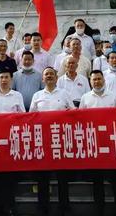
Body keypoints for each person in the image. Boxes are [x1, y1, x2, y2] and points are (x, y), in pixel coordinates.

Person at [79, 70, 116, 215]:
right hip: (95, 143)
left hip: (111, 142)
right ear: (90, 82)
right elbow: (81, 120)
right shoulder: (85, 98)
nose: (97, 82)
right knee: (97, 180)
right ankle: (99, 209)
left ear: (103, 80)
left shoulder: (113, 96)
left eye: (99, 79)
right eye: (94, 80)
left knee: (115, 179)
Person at [30, 67, 75, 215]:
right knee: (43, 177)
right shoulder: (37, 95)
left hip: (60, 139)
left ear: (57, 77)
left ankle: (65, 207)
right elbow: (31, 117)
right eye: (46, 74)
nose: (49, 76)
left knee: (63, 177)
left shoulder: (64, 93)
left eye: (51, 74)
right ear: (42, 79)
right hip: (42, 141)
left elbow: (73, 112)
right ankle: (43, 208)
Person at [0, 70, 25, 216]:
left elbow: (22, 116)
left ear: (11, 80)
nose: (4, 80)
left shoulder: (17, 95)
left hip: (12, 140)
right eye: (1, 77)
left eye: (6, 77)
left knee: (11, 175)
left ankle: (10, 205)